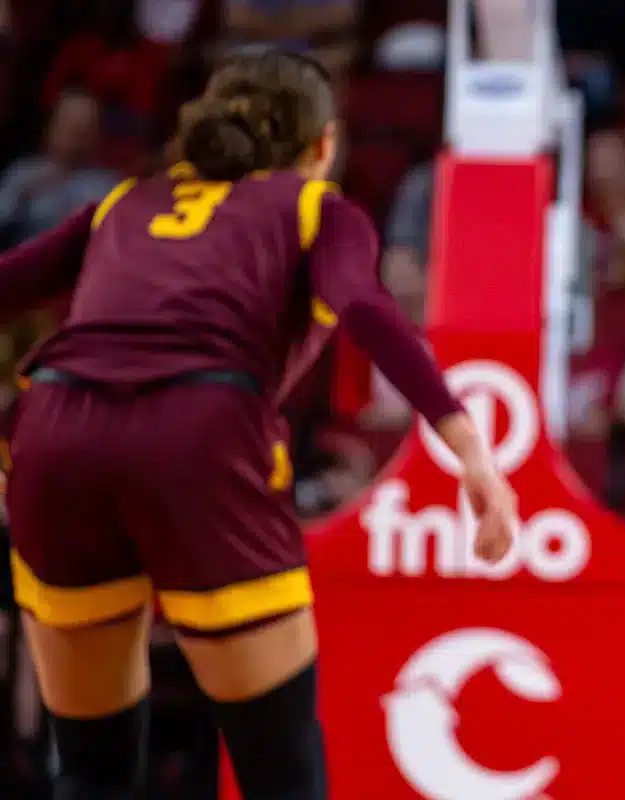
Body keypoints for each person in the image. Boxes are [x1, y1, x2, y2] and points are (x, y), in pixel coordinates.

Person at [0, 51, 518, 800]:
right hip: (196, 429)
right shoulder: (316, 207)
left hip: (57, 430)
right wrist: (470, 450)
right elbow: (367, 308)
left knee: (90, 770)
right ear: (322, 146)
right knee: (282, 769)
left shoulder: (127, 200)